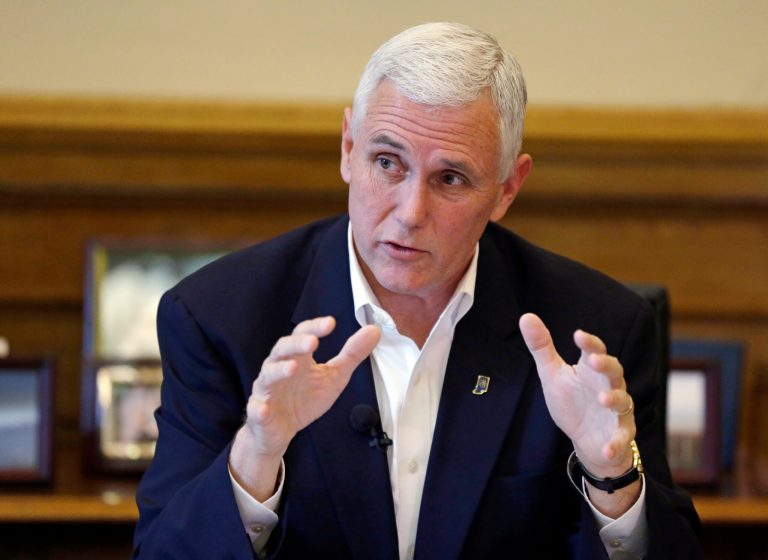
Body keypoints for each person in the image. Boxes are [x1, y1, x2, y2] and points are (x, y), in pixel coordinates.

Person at [133, 22, 701, 559]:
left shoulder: (597, 330)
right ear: (348, 148)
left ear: (506, 188)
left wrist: (611, 480)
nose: (410, 212)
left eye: (450, 178)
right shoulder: (218, 318)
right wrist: (255, 457)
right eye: (387, 162)